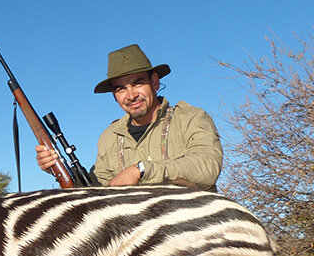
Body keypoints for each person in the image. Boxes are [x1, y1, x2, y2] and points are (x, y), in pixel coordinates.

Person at [36, 44, 223, 190]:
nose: (131, 95)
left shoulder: (191, 118)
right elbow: (98, 189)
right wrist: (60, 170)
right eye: (121, 89)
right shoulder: (110, 136)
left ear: (155, 82)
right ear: (115, 96)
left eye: (138, 83)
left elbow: (208, 167)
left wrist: (140, 170)